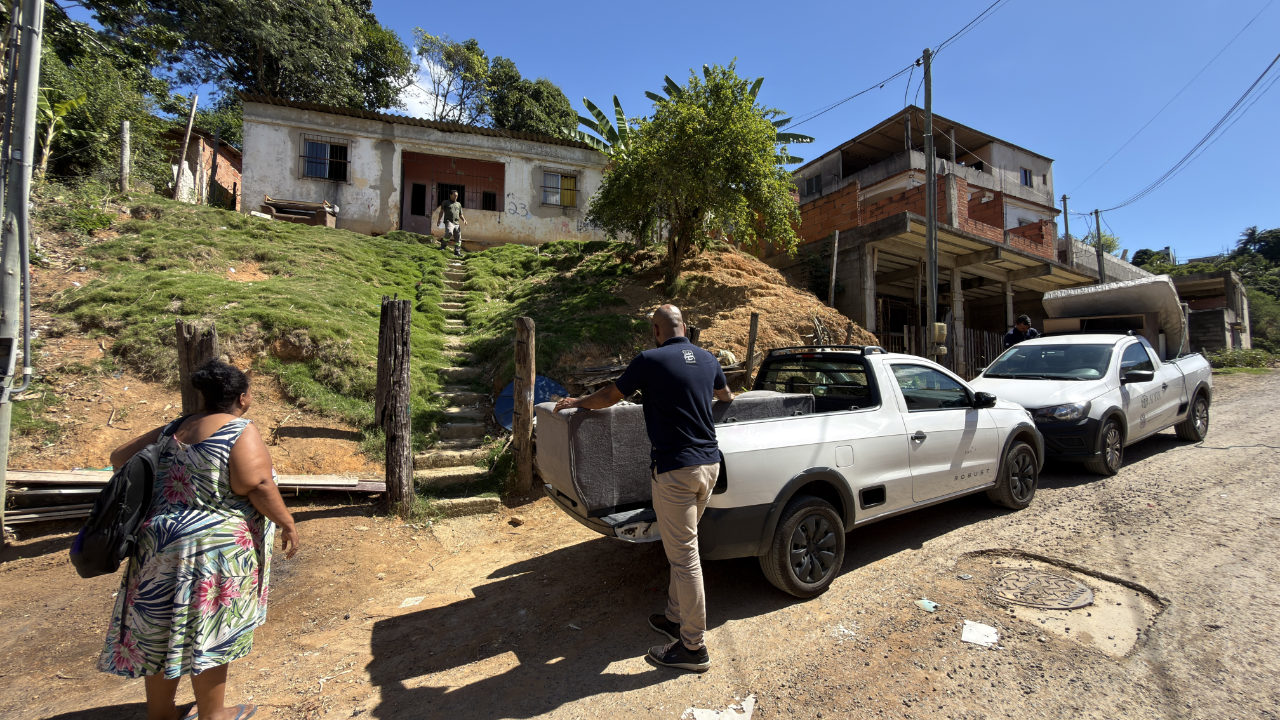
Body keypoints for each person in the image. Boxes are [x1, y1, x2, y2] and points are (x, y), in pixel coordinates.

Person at [98, 360, 299, 720]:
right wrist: (286, 522)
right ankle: (213, 714)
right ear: (243, 397)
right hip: (212, 548)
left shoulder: (175, 429)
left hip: (157, 545)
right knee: (210, 627)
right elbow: (255, 483)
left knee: (162, 626)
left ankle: (161, 713)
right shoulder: (240, 429)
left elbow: (119, 459)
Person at [554, 305, 732, 673]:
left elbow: (609, 397)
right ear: (685, 327)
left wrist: (576, 403)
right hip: (710, 465)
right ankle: (674, 616)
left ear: (656, 330)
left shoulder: (649, 360)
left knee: (685, 557)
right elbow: (726, 397)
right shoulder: (707, 357)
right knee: (681, 547)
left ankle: (693, 647)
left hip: (676, 470)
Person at [433, 190, 468, 257]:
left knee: (458, 238)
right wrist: (439, 220)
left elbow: (461, 214)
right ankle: (443, 246)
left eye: (457, 196)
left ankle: (457, 252)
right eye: (454, 195)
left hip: (457, 223)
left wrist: (464, 220)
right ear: (450, 195)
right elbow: (441, 212)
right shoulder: (445, 202)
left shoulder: (458, 204)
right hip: (449, 221)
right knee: (449, 233)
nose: (456, 197)